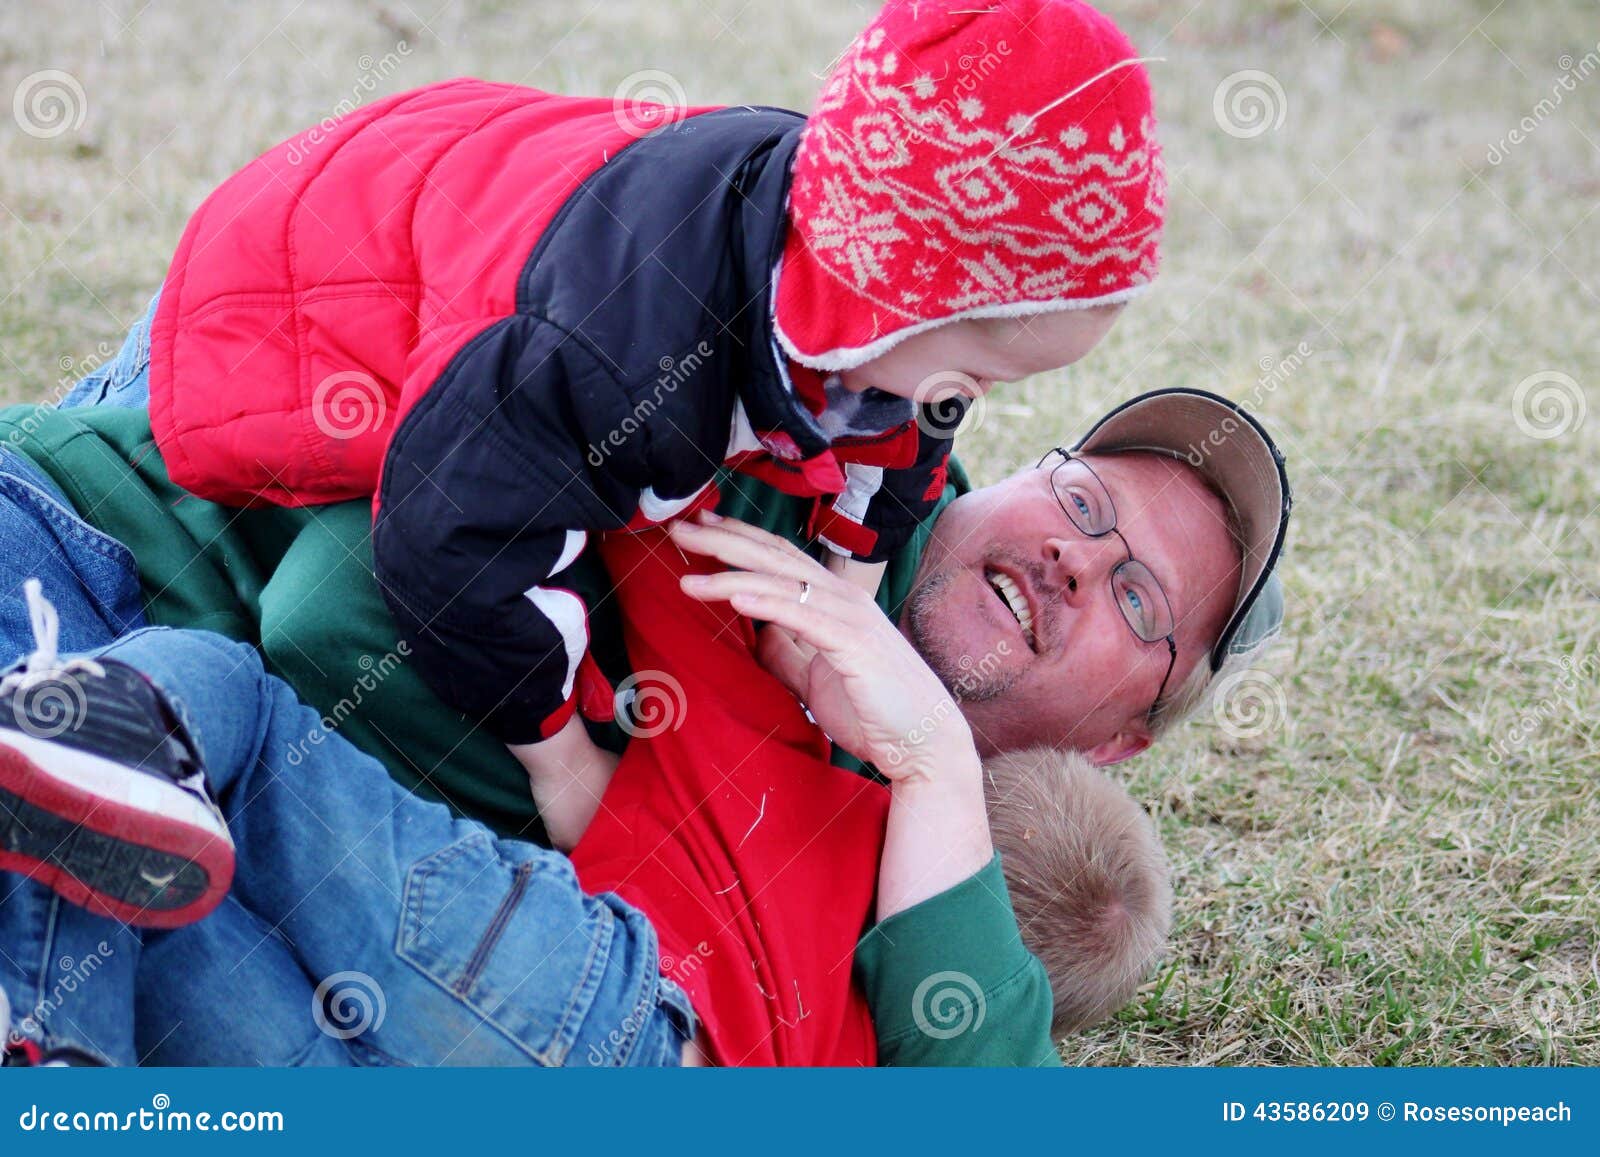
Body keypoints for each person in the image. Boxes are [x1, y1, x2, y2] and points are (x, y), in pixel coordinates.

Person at [0, 375, 1288, 1065]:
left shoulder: (919, 830)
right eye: (1082, 501)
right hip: (88, 568)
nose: (1077, 557)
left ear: (1123, 736)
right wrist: (594, 789)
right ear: (1006, 469)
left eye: (1137, 595)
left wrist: (936, 763)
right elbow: (337, 601)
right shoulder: (805, 461)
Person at [139, 0, 1169, 811]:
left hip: (478, 186)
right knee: (454, 504)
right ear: (881, 316)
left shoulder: (855, 269)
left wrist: (838, 595)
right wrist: (563, 763)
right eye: (979, 374)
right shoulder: (622, 359)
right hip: (302, 296)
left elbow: (901, 429)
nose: (965, 403)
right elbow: (453, 538)